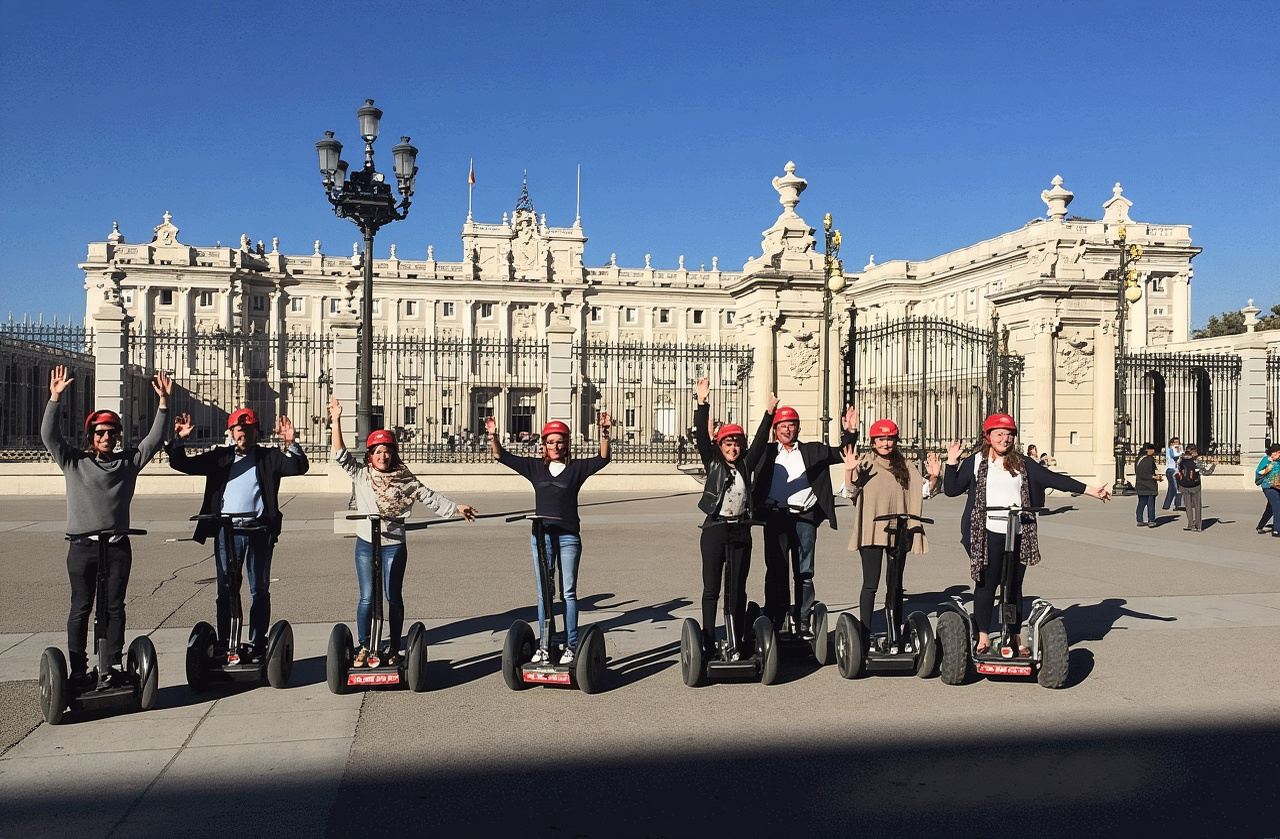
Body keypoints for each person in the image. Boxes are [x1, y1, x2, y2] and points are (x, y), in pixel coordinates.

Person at [42, 365, 171, 689]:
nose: (107, 437)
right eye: (100, 433)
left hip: (116, 547)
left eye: (112, 432)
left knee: (114, 606)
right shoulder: (75, 462)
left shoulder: (127, 463)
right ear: (91, 437)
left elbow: (153, 442)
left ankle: (111, 663)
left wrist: (164, 405)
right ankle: (78, 669)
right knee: (81, 608)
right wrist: (55, 398)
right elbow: (50, 437)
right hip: (82, 548)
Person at [943, 413, 1110, 655]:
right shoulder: (975, 460)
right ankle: (982, 636)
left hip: (1018, 531)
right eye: (999, 434)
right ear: (988, 436)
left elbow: (1054, 479)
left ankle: (1013, 635)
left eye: (1009, 434)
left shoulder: (1022, 463)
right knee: (986, 584)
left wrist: (1090, 490)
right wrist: (951, 462)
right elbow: (951, 490)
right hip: (984, 532)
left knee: (1013, 586)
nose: (1005, 439)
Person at [330, 397, 477, 666]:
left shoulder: (405, 478)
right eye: (378, 451)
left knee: (392, 596)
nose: (383, 456)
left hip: (394, 544)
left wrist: (456, 508)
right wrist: (336, 420)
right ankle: (364, 645)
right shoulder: (361, 475)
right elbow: (340, 454)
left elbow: (428, 496)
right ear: (370, 455)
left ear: (393, 453)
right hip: (366, 543)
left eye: (387, 451)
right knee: (367, 596)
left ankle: (393, 648)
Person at [167, 406, 309, 662]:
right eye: (239, 430)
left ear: (257, 431)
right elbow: (181, 463)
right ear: (231, 432)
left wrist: (292, 442)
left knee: (259, 589)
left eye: (248, 430)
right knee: (226, 589)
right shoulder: (220, 457)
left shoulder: (269, 457)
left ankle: (257, 641)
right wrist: (179, 439)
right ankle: (226, 642)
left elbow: (298, 467)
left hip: (258, 531)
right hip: (227, 531)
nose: (244, 435)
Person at [487, 411, 611, 665]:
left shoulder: (576, 469)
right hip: (541, 537)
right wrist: (493, 437)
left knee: (568, 592)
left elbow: (603, 458)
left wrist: (604, 433)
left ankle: (572, 645)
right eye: (550, 442)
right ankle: (544, 644)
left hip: (568, 537)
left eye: (560, 441)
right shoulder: (535, 468)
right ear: (544, 444)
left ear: (567, 444)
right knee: (544, 593)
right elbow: (502, 456)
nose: (555, 446)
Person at [754, 403, 858, 637]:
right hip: (775, 517)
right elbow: (750, 449)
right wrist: (767, 414)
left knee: (804, 572)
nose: (787, 429)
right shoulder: (767, 452)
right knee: (776, 570)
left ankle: (802, 619)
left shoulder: (812, 450)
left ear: (798, 428)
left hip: (805, 518)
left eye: (792, 425)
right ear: (775, 429)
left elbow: (843, 452)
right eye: (782, 425)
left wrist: (850, 433)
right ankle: (776, 617)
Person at [691, 378, 775, 654]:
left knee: (737, 589)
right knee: (712, 588)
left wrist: (769, 414)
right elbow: (702, 439)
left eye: (737, 443)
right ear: (721, 445)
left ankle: (736, 637)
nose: (733, 448)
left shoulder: (746, 465)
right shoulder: (713, 462)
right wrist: (702, 403)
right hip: (715, 528)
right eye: (728, 443)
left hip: (741, 530)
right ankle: (706, 638)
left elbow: (762, 443)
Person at [843, 418, 941, 638]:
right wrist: (849, 471)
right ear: (873, 441)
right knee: (870, 584)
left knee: (895, 585)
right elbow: (849, 492)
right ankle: (864, 633)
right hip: (872, 530)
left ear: (896, 440)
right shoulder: (865, 462)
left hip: (899, 530)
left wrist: (934, 476)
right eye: (881, 439)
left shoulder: (906, 466)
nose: (885, 443)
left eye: (889, 439)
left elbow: (924, 490)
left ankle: (894, 631)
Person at [1177, 444, 1203, 532]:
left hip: (1184, 485)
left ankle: (1190, 524)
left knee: (1188, 505)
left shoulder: (1181, 459)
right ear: (1193, 451)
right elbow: (1205, 472)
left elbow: (1179, 470)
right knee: (1197, 505)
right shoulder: (1196, 461)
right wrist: (1214, 465)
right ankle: (1198, 525)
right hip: (1196, 485)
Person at [1134, 442, 1160, 528]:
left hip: (1140, 484)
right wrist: (1155, 477)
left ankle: (1139, 519)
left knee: (1141, 502)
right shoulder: (1149, 460)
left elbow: (1139, 473)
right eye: (1152, 449)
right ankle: (1151, 520)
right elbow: (1149, 472)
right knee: (1150, 503)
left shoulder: (1138, 459)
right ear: (1147, 450)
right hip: (1149, 485)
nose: (1153, 451)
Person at [1256, 443, 1280, 537]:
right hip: (1268, 486)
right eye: (1278, 452)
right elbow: (1259, 472)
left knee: (1270, 508)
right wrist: (1268, 467)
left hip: (1278, 486)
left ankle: (1260, 526)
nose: (1279, 454)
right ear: (1272, 453)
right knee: (1277, 506)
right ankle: (1277, 530)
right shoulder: (1266, 460)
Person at [1162, 436, 1184, 511]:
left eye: (1178, 442)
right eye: (1175, 442)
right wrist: (1178, 451)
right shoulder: (1170, 450)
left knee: (1174, 488)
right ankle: (1171, 504)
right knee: (1174, 488)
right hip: (1171, 470)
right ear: (1172, 443)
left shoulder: (1178, 449)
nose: (1177, 444)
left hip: (1177, 470)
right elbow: (1174, 456)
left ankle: (1170, 504)